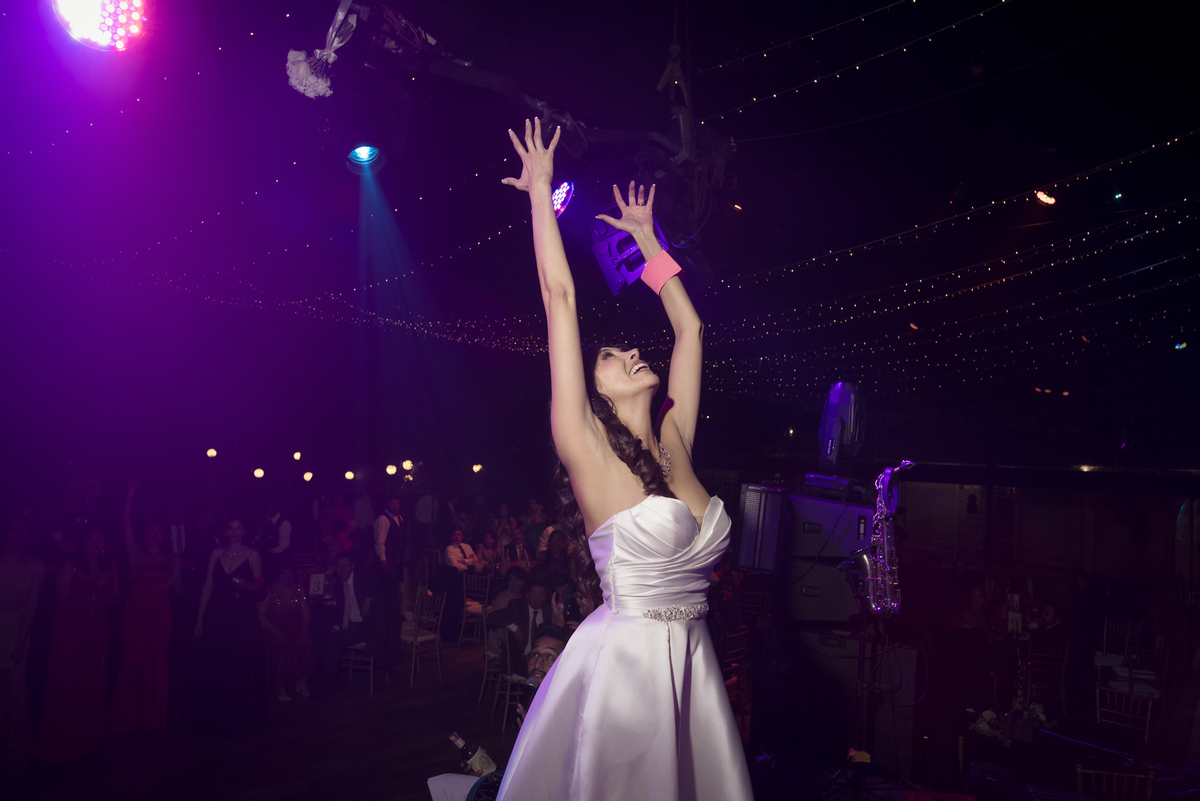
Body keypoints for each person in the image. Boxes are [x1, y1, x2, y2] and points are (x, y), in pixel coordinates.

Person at [495, 119, 752, 800]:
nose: (631, 354)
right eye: (611, 357)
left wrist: (648, 245)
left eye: (628, 351)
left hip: (693, 663)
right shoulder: (586, 448)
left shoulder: (675, 442)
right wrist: (541, 193)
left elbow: (690, 329)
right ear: (597, 389)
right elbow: (560, 299)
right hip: (628, 670)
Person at [38, 526, 120, 763]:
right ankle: (65, 742)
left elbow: (118, 596)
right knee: (69, 680)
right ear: (82, 542)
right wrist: (86, 606)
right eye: (90, 538)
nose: (95, 541)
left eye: (100, 537)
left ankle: (90, 740)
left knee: (94, 681)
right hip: (71, 631)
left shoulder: (110, 565)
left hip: (98, 631)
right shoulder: (69, 566)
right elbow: (59, 600)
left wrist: (105, 600)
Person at [186, 519, 267, 734]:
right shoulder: (216, 553)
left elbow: (260, 588)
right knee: (216, 661)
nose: (234, 532)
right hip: (218, 615)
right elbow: (208, 586)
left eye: (238, 528)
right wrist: (200, 619)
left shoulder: (252, 555)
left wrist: (244, 584)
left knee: (241, 663)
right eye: (230, 528)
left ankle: (241, 717)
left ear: (244, 531)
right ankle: (216, 716)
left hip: (241, 615)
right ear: (226, 531)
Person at [112, 479, 179, 734]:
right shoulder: (136, 555)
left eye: (158, 532)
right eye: (150, 531)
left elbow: (180, 591)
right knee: (132, 661)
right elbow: (125, 523)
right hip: (134, 615)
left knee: (156, 660)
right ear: (145, 535)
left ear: (163, 537)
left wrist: (176, 576)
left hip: (160, 616)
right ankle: (128, 719)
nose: (154, 535)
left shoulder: (171, 558)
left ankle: (153, 719)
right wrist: (131, 492)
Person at [0, 519, 46, 772]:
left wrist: (20, 638)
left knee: (13, 691)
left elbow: (32, 605)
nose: (16, 534)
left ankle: (13, 752)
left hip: (17, 630)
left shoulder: (35, 566)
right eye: (12, 529)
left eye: (21, 530)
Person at [315, 551, 380, 692]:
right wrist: (337, 626)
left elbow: (387, 590)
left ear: (352, 566)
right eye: (339, 566)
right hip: (349, 624)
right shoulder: (338, 585)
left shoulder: (363, 579)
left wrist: (370, 597)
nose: (342, 569)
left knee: (335, 639)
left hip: (365, 626)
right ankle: (319, 676)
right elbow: (341, 610)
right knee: (319, 632)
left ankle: (328, 682)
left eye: (345, 566)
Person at [257, 559, 313, 701]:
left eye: (289, 573)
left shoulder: (299, 589)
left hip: (294, 629)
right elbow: (261, 615)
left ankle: (301, 681)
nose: (286, 576)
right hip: (274, 630)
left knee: (305, 643)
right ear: (278, 574)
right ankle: (279, 687)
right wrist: (275, 632)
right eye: (283, 573)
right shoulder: (269, 590)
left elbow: (305, 612)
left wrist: (305, 631)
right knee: (286, 646)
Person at [488, 572, 559, 676]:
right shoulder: (517, 606)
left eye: (540, 594)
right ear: (527, 594)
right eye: (533, 593)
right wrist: (514, 628)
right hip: (519, 660)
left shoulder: (548, 611)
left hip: (541, 659)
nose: (536, 597)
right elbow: (492, 617)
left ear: (545, 597)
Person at [514, 624, 569, 728]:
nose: (537, 664)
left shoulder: (566, 713)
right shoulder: (532, 701)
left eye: (549, 656)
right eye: (535, 654)